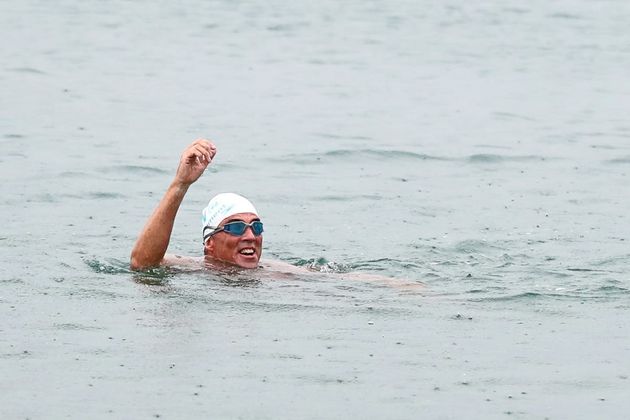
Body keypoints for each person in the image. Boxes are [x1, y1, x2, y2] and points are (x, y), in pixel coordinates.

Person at [130, 139, 422, 289]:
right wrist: (180, 184)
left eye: (256, 227)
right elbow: (142, 264)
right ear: (210, 243)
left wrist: (396, 285)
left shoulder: (277, 273)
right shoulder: (193, 268)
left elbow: (340, 282)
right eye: (234, 228)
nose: (249, 235)